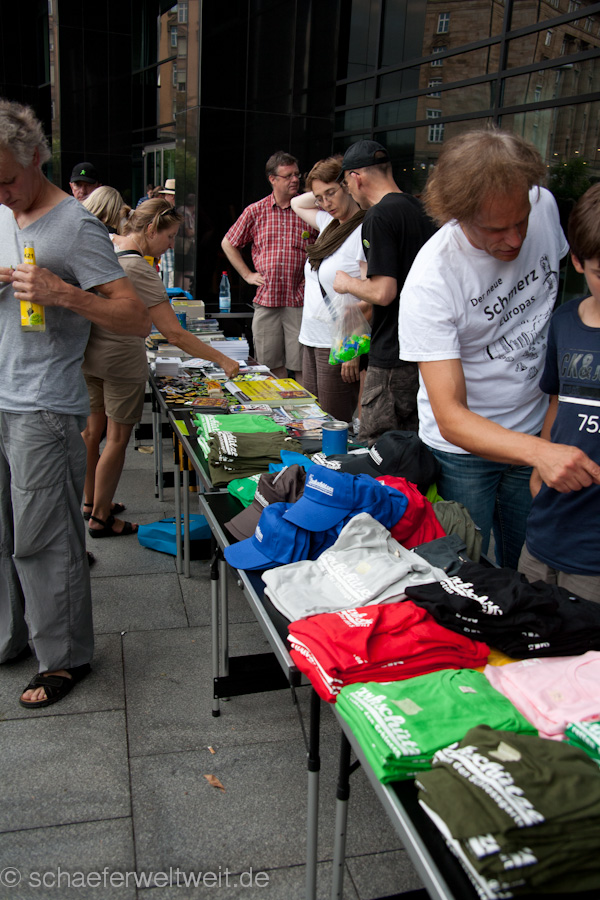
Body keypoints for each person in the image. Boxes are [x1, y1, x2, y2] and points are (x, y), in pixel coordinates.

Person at [0, 99, 150, 708]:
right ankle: (10, 638)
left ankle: (63, 657)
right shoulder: (0, 210)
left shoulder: (76, 225)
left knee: (43, 537)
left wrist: (63, 293)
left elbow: (134, 317)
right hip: (2, 391)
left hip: (41, 402)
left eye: (8, 180)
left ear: (36, 156)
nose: (2, 195)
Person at [398, 128, 600, 569]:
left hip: (538, 429)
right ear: (456, 214)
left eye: (520, 222)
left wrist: (547, 437)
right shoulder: (432, 280)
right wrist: (540, 453)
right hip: (465, 455)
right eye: (495, 229)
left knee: (529, 565)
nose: (515, 240)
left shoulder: (542, 205)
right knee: (468, 570)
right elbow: (451, 416)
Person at [81, 196, 240, 538]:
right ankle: (101, 517)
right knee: (117, 438)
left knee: (92, 433)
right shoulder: (139, 269)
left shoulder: (107, 248)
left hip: (89, 354)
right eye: (169, 237)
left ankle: (90, 500)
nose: (170, 246)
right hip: (120, 360)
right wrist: (223, 359)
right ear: (151, 229)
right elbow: (174, 333)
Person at [517, 184, 600, 601]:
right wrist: (540, 464)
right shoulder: (564, 321)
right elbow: (557, 400)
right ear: (579, 262)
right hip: (546, 530)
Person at [332, 140, 436, 444]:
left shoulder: (378, 216)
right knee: (413, 448)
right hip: (424, 350)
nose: (349, 191)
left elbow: (384, 292)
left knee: (378, 448)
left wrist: (346, 283)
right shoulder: (423, 210)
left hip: (392, 353)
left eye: (346, 183)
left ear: (356, 178)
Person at [221, 151, 316, 380]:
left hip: (299, 299)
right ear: (272, 179)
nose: (295, 180)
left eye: (297, 174)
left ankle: (303, 404)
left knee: (301, 366)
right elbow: (228, 242)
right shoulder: (256, 211)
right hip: (267, 299)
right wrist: (247, 275)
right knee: (269, 366)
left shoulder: (308, 209)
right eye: (288, 176)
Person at [290, 156, 366, 423]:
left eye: (331, 193)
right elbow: (296, 203)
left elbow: (370, 293)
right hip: (311, 336)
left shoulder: (363, 230)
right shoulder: (329, 224)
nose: (325, 203)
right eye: (319, 198)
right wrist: (321, 189)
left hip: (338, 342)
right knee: (313, 420)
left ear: (347, 185)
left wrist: (352, 350)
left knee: (334, 423)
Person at [158, 179, 176, 287]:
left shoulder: (173, 214)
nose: (165, 198)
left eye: (166, 195)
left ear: (171, 196)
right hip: (167, 262)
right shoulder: (168, 213)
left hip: (171, 262)